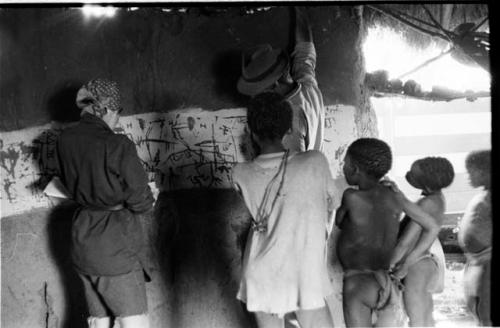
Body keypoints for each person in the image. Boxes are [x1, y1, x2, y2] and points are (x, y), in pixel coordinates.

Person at [232, 92, 337, 328]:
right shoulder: (315, 162)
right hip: (305, 270)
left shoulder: (240, 172)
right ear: (290, 129)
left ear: (250, 131)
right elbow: (332, 204)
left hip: (262, 269)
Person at [56, 79, 154, 328]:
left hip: (82, 240)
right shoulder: (118, 144)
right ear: (108, 109)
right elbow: (141, 201)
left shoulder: (65, 139)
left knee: (99, 322)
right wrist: (143, 200)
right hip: (115, 246)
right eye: (118, 113)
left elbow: (69, 182)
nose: (118, 121)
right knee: (134, 322)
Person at [335, 138, 440, 327]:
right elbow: (432, 226)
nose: (343, 168)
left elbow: (339, 222)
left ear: (355, 169)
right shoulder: (396, 197)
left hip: (357, 284)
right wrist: (407, 264)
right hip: (387, 284)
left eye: (345, 163)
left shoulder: (351, 197)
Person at [237, 7, 325, 153]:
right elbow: (305, 49)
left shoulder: (288, 124)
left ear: (275, 84)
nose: (255, 97)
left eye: (258, 91)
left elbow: (292, 173)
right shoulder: (307, 84)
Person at [392, 157, 455, 326]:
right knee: (426, 318)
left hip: (415, 266)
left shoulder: (426, 203)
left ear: (425, 184)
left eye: (412, 174)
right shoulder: (437, 198)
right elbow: (408, 206)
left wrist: (392, 266)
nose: (407, 175)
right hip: (425, 263)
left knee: (417, 321)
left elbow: (405, 242)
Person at [457, 149, 491, 326]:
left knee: (486, 310)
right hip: (476, 262)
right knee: (476, 306)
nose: (467, 175)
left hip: (488, 263)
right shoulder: (482, 196)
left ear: (487, 171)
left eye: (472, 171)